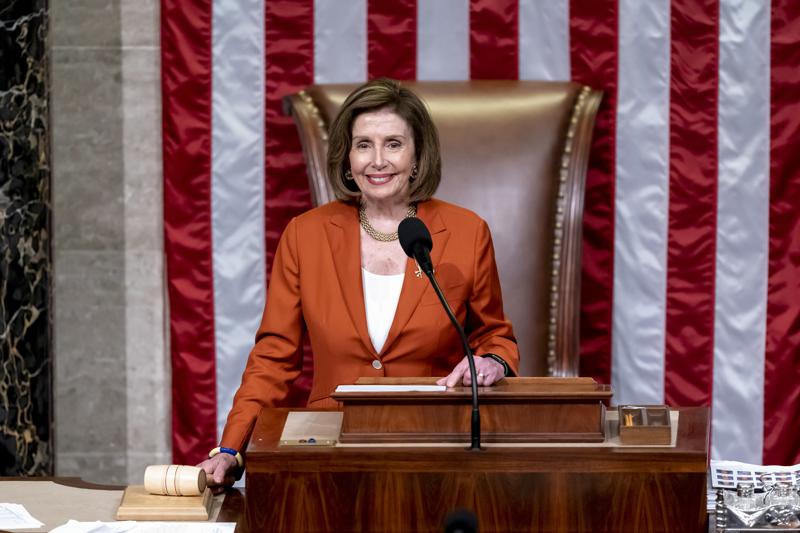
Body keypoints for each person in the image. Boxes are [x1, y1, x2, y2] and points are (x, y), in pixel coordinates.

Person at [199, 78, 519, 491]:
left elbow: (494, 335)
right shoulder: (306, 235)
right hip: (330, 452)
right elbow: (274, 357)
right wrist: (231, 447)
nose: (377, 161)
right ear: (347, 157)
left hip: (435, 447)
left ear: (418, 154)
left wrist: (491, 361)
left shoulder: (466, 231)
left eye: (393, 144)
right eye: (363, 144)